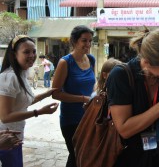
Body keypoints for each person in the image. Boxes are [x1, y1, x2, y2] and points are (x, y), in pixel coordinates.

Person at [106, 28, 159, 167]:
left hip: (154, 154)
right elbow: (124, 129)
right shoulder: (121, 76)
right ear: (147, 62)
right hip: (125, 157)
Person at [0, 35, 59, 166]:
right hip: (5, 137)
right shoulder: (8, 77)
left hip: (15, 136)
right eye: (26, 52)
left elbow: (23, 102)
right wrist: (38, 112)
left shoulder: (22, 73)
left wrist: (46, 94)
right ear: (14, 54)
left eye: (34, 51)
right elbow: (5, 116)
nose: (32, 55)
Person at [52, 25, 96, 167]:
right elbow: (55, 93)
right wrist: (83, 99)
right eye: (84, 40)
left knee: (86, 156)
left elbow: (92, 85)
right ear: (74, 41)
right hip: (71, 119)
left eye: (90, 40)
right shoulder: (65, 62)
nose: (88, 44)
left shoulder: (91, 59)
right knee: (76, 155)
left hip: (89, 117)